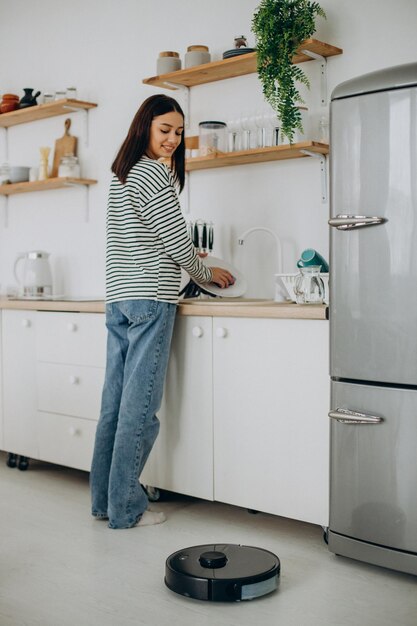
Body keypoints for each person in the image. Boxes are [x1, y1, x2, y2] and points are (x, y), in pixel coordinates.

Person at [90, 94, 234, 529]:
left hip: (119, 297)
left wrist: (191, 260)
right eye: (164, 130)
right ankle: (128, 509)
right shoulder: (154, 173)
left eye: (178, 131)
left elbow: (144, 239)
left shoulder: (123, 173)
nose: (172, 139)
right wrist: (207, 272)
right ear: (145, 128)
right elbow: (175, 245)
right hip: (151, 299)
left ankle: (104, 503)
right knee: (140, 408)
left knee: (114, 405)